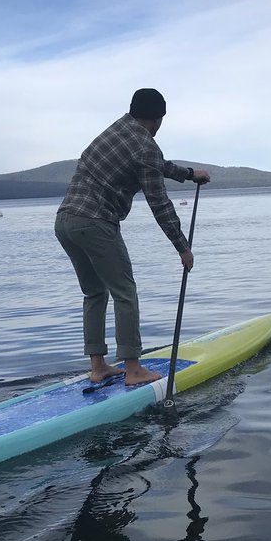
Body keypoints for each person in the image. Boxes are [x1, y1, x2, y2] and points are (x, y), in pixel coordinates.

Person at [55, 88, 211, 386]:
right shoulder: (146, 146)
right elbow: (160, 203)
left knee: (95, 293)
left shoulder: (116, 130)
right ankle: (133, 369)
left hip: (65, 222)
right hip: (96, 221)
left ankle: (98, 367)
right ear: (159, 118)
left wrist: (190, 173)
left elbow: (155, 167)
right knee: (124, 292)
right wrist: (183, 247)